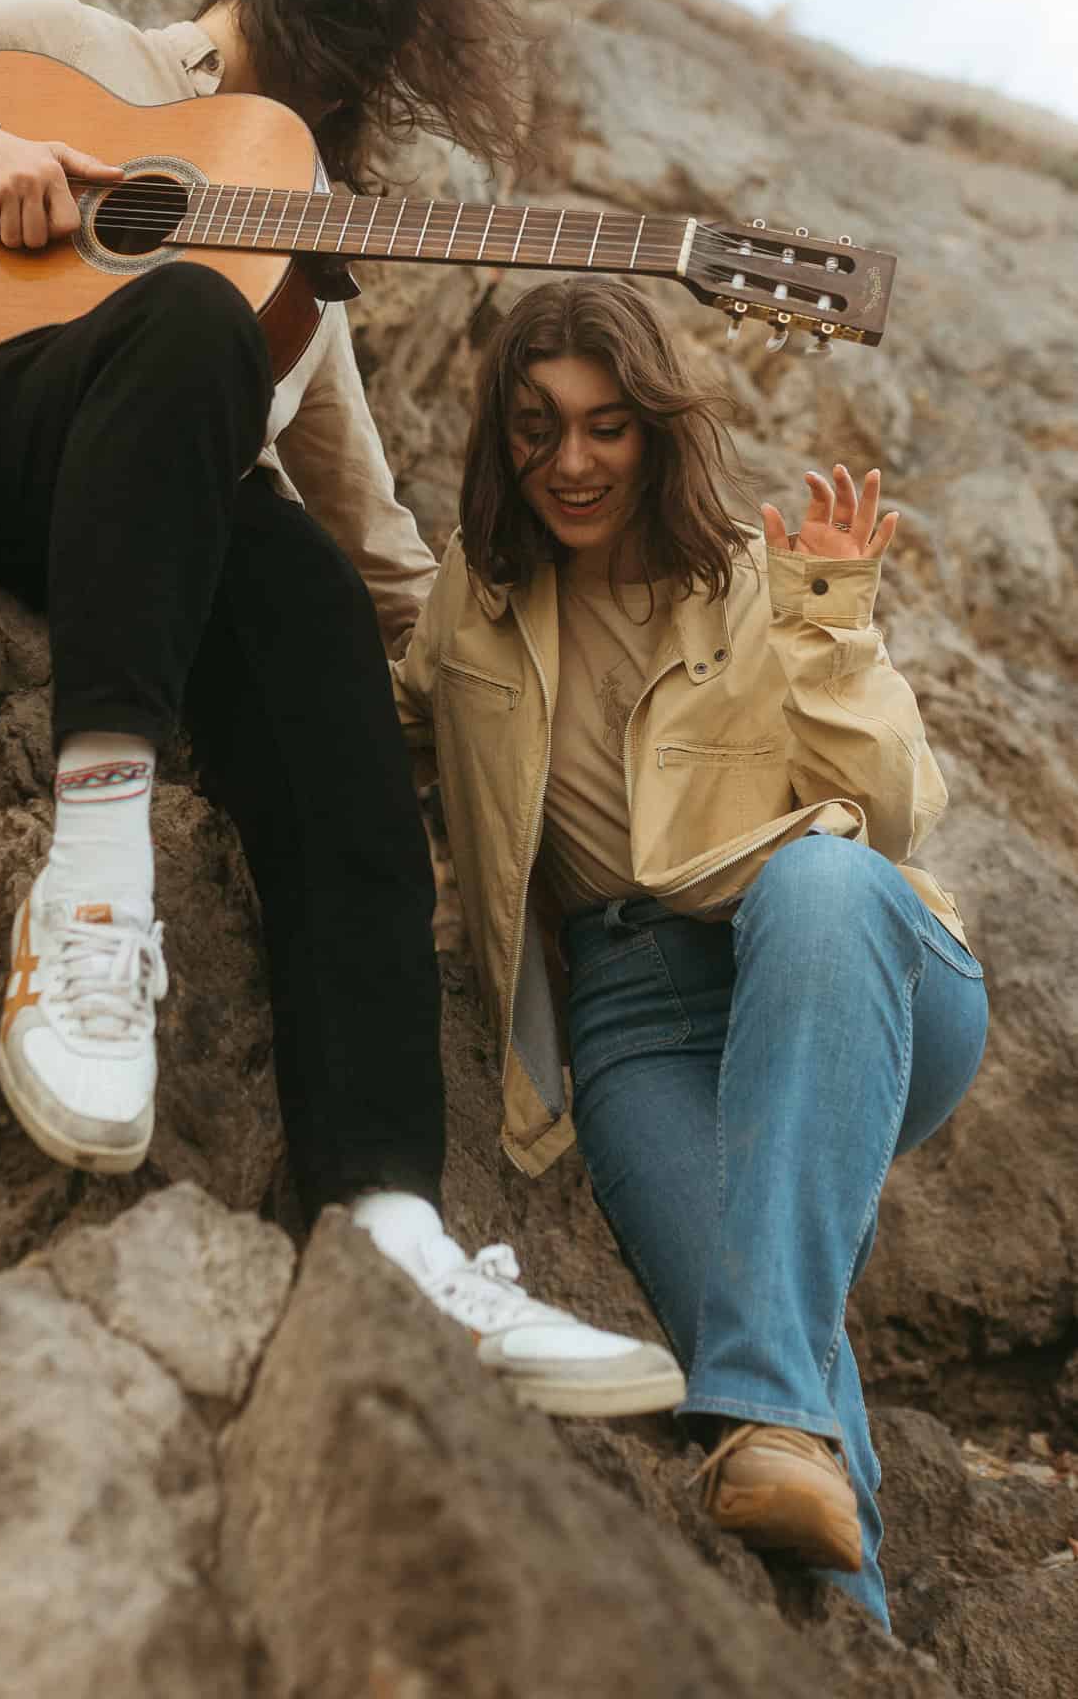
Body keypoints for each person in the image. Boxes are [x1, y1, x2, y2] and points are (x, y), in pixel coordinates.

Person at [0, 0, 684, 1419]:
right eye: (339, 34)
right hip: (9, 455)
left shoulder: (293, 225)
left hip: (197, 528)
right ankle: (91, 899)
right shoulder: (56, 43)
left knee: (313, 599)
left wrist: (547, 697)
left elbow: (374, 538)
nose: (341, 77)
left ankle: (392, 1226)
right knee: (184, 316)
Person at [390, 275, 988, 1625]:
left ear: (656, 432)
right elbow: (393, 727)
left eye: (606, 426)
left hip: (847, 965)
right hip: (632, 1024)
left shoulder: (758, 583)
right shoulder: (474, 598)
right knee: (766, 1342)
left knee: (819, 875)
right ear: (501, 439)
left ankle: (766, 1403)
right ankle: (858, 1632)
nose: (572, 461)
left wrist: (830, 627)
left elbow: (892, 817)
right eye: (537, 428)